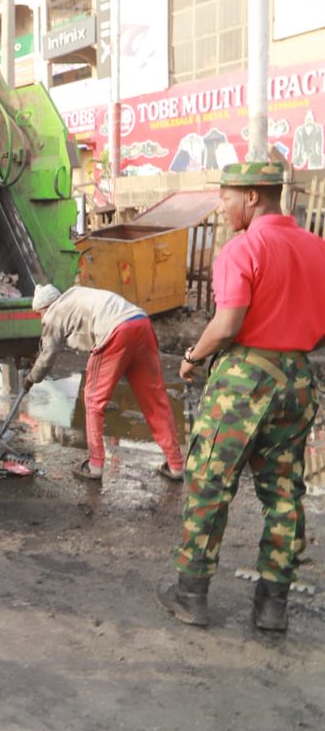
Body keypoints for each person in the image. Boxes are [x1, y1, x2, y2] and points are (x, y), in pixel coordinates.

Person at [158, 161, 325, 632]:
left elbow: (228, 323)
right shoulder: (318, 248)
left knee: (211, 482)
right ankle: (273, 607)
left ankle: (191, 594)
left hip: (244, 381)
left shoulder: (242, 248)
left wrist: (192, 355)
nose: (221, 204)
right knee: (285, 494)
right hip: (297, 378)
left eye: (226, 195)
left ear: (252, 196)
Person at [26, 284, 184, 481]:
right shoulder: (76, 293)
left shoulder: (54, 313)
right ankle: (176, 464)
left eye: (39, 313)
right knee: (155, 398)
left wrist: (31, 378)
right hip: (141, 323)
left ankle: (95, 465)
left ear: (44, 307)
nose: (41, 318)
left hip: (115, 332)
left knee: (93, 400)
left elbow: (47, 355)